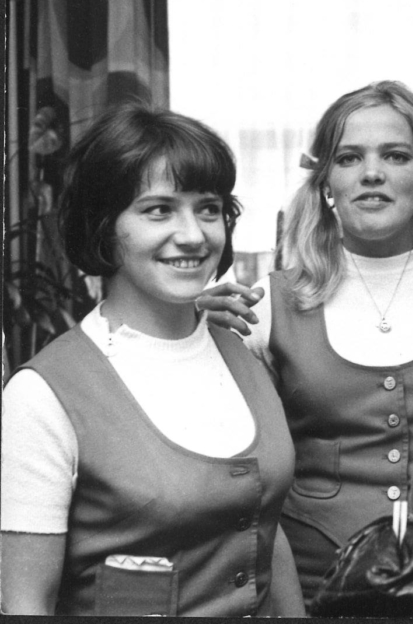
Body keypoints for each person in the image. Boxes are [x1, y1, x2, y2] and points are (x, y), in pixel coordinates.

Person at [0, 104, 302, 616]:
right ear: (103, 227)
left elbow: (263, 531)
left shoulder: (241, 350)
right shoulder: (42, 397)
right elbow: (27, 602)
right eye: (159, 210)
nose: (193, 235)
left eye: (208, 209)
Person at [198, 81, 413, 605]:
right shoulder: (268, 304)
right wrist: (190, 329)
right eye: (350, 158)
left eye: (395, 155)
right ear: (326, 181)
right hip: (310, 592)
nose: (372, 173)